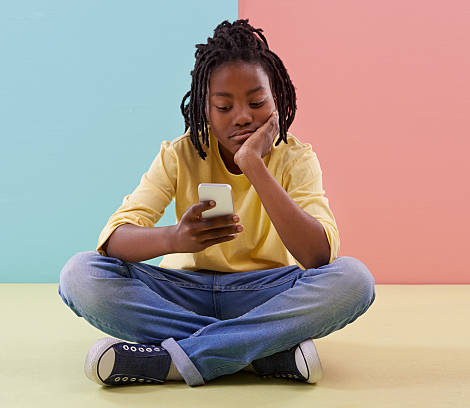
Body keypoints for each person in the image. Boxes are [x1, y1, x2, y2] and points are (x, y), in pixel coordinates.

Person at [58, 18, 376, 388]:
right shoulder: (180, 154)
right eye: (224, 107)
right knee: (80, 274)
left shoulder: (295, 158)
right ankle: (257, 351)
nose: (243, 117)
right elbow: (114, 241)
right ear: (204, 110)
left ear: (277, 99)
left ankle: (175, 360)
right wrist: (174, 239)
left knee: (353, 280)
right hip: (182, 291)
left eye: (256, 102)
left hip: (263, 293)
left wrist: (254, 165)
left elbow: (318, 256)